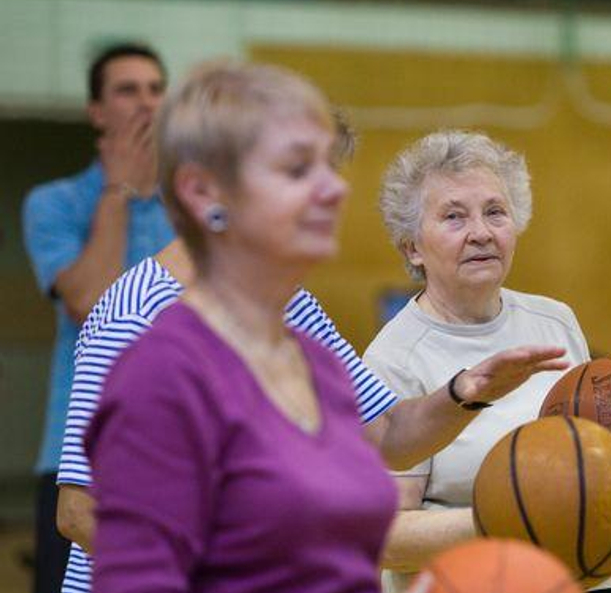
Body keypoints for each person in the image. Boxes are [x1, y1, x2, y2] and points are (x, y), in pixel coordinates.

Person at [81, 61, 566, 593]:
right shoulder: (159, 354)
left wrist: (465, 392)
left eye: (327, 170)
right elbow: (96, 527)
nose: (332, 190)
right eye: (296, 171)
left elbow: (388, 438)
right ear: (204, 193)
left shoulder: (304, 336)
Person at [365, 130, 611, 592]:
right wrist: (520, 515)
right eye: (454, 216)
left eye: (495, 212)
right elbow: (388, 538)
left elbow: (590, 462)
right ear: (412, 247)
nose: (481, 232)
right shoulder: (394, 357)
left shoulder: (556, 319)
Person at [20, 42, 175, 593]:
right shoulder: (53, 203)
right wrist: (118, 191)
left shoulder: (190, 209)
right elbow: (88, 303)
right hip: (76, 464)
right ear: (96, 112)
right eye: (127, 90)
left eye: (156, 89)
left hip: (171, 453)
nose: (146, 104)